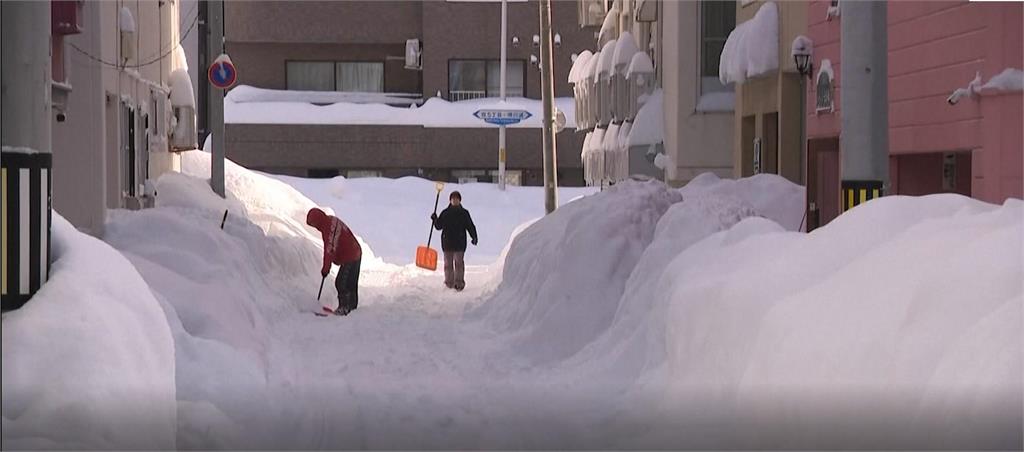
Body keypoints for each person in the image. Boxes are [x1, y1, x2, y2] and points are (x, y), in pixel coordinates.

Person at [306, 207, 362, 315]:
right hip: (355, 251)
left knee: (341, 282)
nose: (314, 227)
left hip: (350, 255)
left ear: (317, 221)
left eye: (313, 224)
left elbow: (330, 249)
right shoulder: (330, 220)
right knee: (350, 283)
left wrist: (325, 269)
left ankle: (345, 308)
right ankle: (351, 309)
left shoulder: (328, 228)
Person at [431, 191, 478, 291]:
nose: (455, 201)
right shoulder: (445, 213)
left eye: (457, 199)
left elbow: (470, 226)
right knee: (448, 265)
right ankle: (449, 283)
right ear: (450, 200)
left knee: (459, 264)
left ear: (460, 200)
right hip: (447, 243)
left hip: (460, 243)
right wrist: (435, 219)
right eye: (453, 199)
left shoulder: (464, 213)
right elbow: (439, 226)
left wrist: (474, 236)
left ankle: (459, 284)